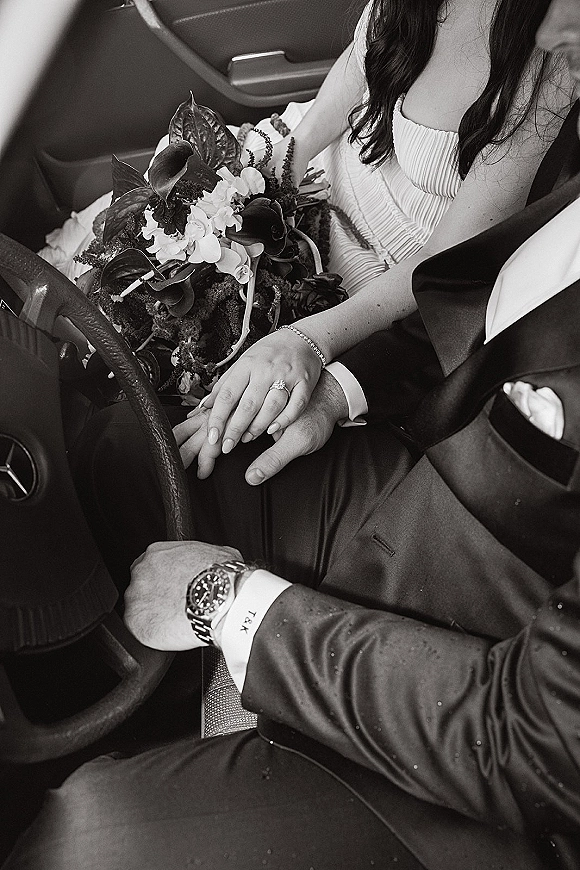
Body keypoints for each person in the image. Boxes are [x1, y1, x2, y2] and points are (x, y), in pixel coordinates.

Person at [5, 2, 580, 869]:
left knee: (77, 845)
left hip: (478, 733)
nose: (552, 26)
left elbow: (534, 743)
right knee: (130, 453)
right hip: (439, 478)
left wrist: (229, 605)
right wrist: (338, 389)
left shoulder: (549, 74)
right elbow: (480, 305)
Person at [178, 0, 576, 471]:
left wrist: (305, 340)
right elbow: (358, 65)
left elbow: (446, 257)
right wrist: (277, 170)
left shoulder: (555, 56)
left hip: (377, 279)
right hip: (323, 170)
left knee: (211, 392)